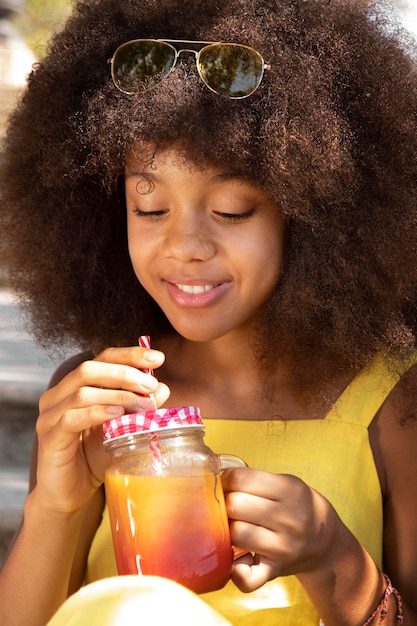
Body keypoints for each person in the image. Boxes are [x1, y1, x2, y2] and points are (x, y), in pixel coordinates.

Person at [0, 0, 417, 624]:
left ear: (311, 214)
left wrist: (336, 561)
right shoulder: (99, 400)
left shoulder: (390, 402)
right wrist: (55, 507)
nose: (186, 247)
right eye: (149, 208)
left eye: (231, 210)